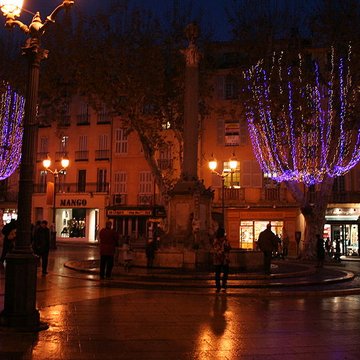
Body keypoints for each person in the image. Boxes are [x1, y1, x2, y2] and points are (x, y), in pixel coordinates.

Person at [213, 226, 231, 293]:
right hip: (220, 259)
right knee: (219, 273)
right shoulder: (217, 241)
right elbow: (217, 250)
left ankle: (223, 284)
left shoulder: (224, 240)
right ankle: (219, 285)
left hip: (223, 259)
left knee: (223, 273)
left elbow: (229, 247)